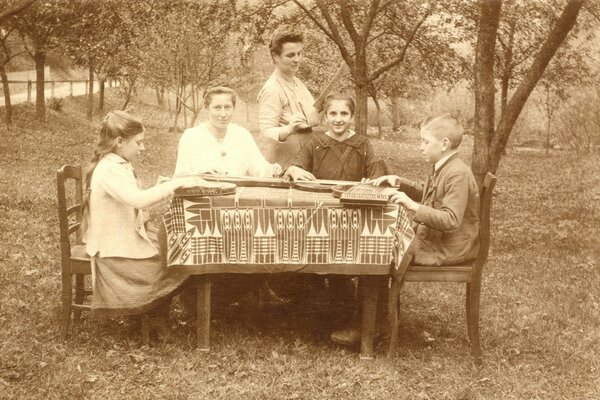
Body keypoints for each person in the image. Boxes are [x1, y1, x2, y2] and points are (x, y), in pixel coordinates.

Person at [331, 114, 480, 346]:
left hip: (447, 248)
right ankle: (371, 321)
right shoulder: (445, 166)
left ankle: (370, 329)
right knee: (376, 243)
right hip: (438, 240)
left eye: (425, 142)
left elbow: (451, 220)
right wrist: (397, 180)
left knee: (376, 249)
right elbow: (429, 193)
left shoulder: (457, 173)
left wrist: (410, 205)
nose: (420, 147)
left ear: (444, 144)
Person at [83, 110, 205, 337]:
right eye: (139, 142)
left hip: (124, 239)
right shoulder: (109, 169)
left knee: (176, 251)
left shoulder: (117, 163)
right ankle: (149, 314)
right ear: (119, 142)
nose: (143, 148)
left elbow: (133, 200)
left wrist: (158, 186)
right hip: (112, 252)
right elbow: (137, 200)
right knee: (177, 260)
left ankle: (152, 314)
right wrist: (173, 185)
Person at [175, 86, 281, 177]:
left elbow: (259, 167)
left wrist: (273, 170)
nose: (223, 114)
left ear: (233, 108)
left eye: (227, 107)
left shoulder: (242, 135)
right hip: (201, 199)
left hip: (234, 198)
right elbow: (180, 176)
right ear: (207, 108)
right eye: (217, 108)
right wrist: (201, 174)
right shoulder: (191, 137)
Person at [257, 26, 320, 171]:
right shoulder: (272, 89)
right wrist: (289, 129)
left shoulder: (297, 83)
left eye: (299, 54)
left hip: (304, 162)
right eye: (290, 55)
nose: (297, 60)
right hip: (283, 167)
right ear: (275, 56)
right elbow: (266, 134)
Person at [284, 95, 387, 182]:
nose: (338, 119)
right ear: (325, 118)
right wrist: (293, 170)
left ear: (352, 117)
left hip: (352, 201)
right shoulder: (315, 144)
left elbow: (376, 175)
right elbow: (295, 167)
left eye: (344, 114)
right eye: (333, 114)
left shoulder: (363, 144)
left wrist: (371, 181)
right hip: (321, 201)